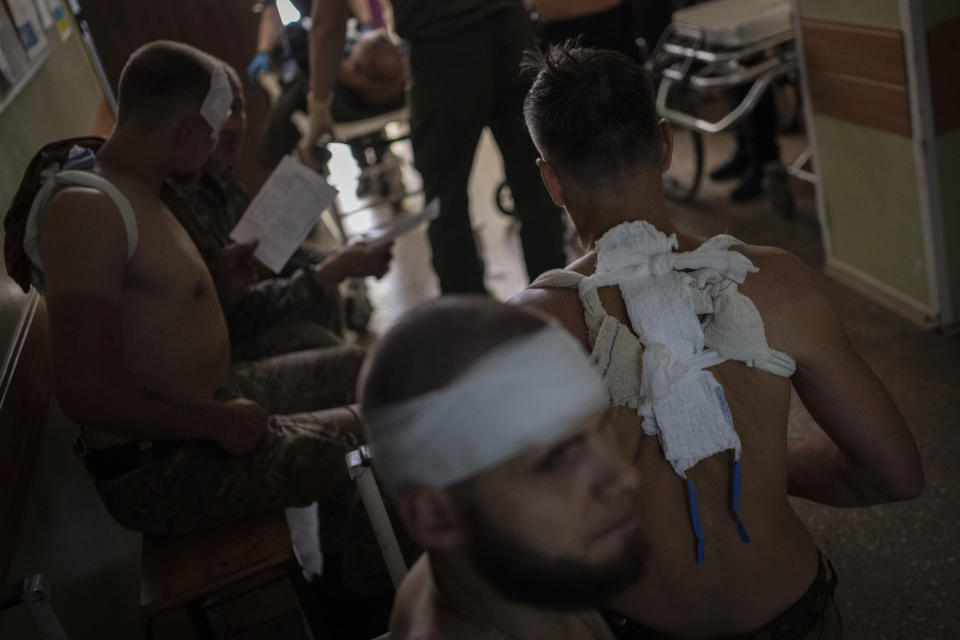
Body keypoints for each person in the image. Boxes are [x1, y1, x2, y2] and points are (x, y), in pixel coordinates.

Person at [511, 45, 924, 638]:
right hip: (797, 615)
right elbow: (896, 475)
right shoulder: (776, 283)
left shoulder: (531, 332)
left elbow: (526, 546)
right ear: (665, 143)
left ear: (551, 180)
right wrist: (759, 465)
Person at [13, 40, 392, 600]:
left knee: (362, 372)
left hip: (204, 404)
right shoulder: (87, 212)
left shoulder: (141, 186)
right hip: (161, 463)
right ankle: (367, 604)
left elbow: (155, 313)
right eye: (213, 131)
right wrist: (214, 422)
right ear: (190, 131)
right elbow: (86, 392)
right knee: (378, 441)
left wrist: (219, 288)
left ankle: (337, 574)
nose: (219, 144)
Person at [359, 297, 649, 639]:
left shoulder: (516, 573)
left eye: (603, 427)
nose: (625, 477)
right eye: (554, 460)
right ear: (434, 516)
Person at [304, 0, 567, 294]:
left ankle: (469, 321)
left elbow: (328, 17)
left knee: (445, 205)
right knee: (536, 189)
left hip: (443, 52)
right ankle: (554, 310)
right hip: (511, 32)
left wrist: (320, 102)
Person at [180, 63, 393, 359]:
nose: (232, 124)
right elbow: (236, 314)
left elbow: (266, 254)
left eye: (238, 109)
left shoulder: (222, 179)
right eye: (219, 112)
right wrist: (329, 272)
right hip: (227, 345)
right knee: (339, 346)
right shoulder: (187, 203)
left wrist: (340, 261)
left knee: (323, 277)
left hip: (251, 303)